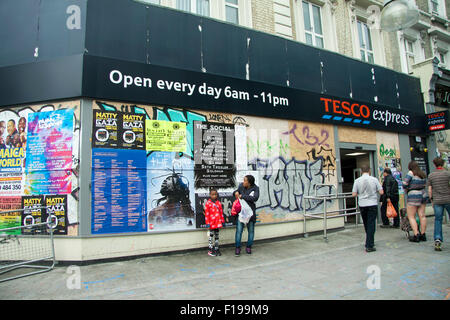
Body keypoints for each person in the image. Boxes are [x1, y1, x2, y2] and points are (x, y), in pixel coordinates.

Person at [352, 165, 384, 252]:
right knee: (371, 224)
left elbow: (354, 194)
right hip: (372, 203)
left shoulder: (357, 180)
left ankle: (369, 241)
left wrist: (360, 194)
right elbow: (381, 192)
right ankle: (369, 244)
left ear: (361, 171)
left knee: (366, 223)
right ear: (369, 170)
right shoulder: (374, 179)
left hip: (362, 204)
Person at [427, 157, 450, 251]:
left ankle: (437, 240)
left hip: (437, 200)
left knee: (438, 220)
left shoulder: (431, 175)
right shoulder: (447, 174)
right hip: (448, 199)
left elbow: (429, 190)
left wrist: (431, 200)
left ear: (434, 164)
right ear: (443, 164)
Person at [234, 175, 259, 256]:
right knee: (239, 231)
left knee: (251, 231)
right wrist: (235, 192)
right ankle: (237, 248)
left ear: (249, 183)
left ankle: (249, 247)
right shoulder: (241, 186)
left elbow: (255, 198)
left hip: (250, 213)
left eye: (245, 181)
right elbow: (236, 192)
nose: (243, 182)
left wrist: (243, 196)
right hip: (241, 213)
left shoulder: (255, 188)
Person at [403, 161, 428, 243]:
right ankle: (423, 234)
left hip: (413, 195)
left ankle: (416, 234)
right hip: (423, 194)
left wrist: (407, 187)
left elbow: (404, 183)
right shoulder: (422, 173)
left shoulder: (411, 173)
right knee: (422, 215)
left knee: (411, 216)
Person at [204, 188, 224, 257]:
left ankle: (216, 248)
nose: (214, 196)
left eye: (215, 194)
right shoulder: (208, 203)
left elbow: (221, 212)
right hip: (211, 223)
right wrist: (207, 223)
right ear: (210, 195)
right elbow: (207, 214)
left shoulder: (218, 203)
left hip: (217, 223)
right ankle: (210, 249)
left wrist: (222, 221)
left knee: (217, 236)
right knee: (211, 236)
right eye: (212, 194)